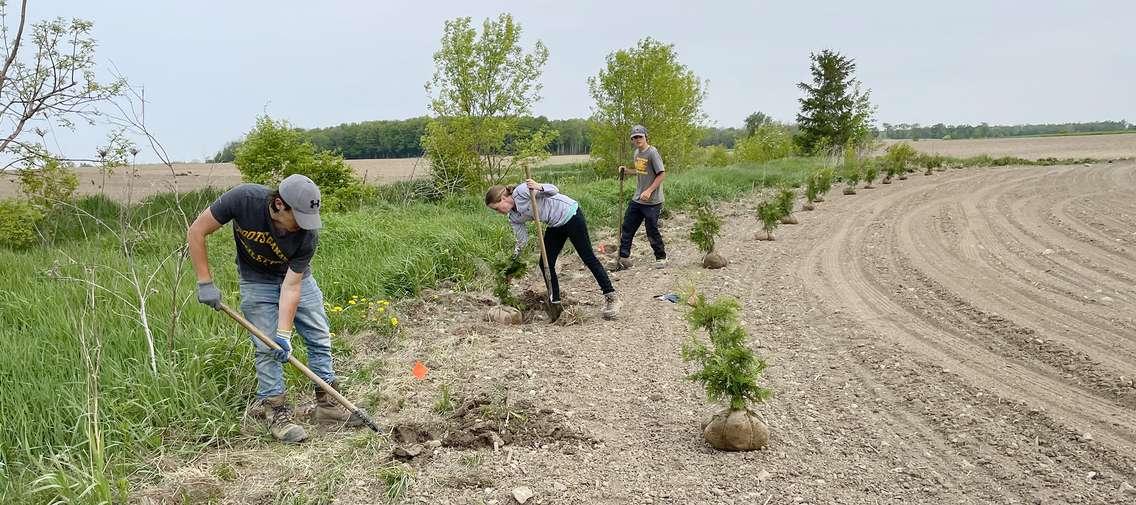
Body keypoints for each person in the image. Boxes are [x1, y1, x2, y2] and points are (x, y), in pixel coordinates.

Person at [186, 174, 361, 444]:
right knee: (266, 347)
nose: (302, 226)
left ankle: (328, 406)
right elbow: (197, 230)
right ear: (279, 204)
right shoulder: (243, 199)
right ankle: (276, 413)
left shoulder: (307, 237)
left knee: (319, 336)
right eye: (298, 218)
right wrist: (204, 282)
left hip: (296, 279)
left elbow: (291, 287)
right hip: (256, 280)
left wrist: (285, 334)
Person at [485, 179, 622, 320]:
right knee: (545, 262)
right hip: (555, 224)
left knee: (587, 257)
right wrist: (512, 265)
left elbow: (554, 190)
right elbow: (521, 241)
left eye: (496, 208)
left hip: (570, 215)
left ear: (502, 198)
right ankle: (555, 303)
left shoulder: (521, 191)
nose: (497, 212)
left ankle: (611, 296)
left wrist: (539, 187)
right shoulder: (513, 217)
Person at [613, 124, 667, 270]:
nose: (637, 139)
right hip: (638, 198)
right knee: (628, 226)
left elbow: (661, 174)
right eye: (634, 137)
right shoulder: (637, 153)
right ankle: (623, 257)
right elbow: (641, 171)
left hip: (652, 201)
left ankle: (661, 257)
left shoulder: (652, 152)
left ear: (645, 137)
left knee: (651, 229)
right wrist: (626, 171)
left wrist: (649, 191)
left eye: (640, 136)